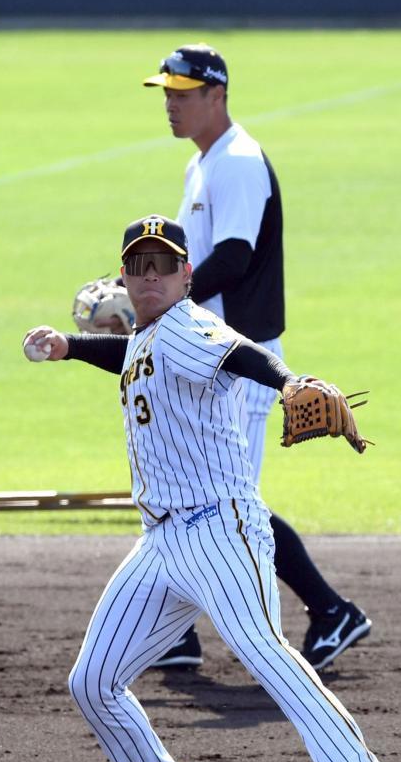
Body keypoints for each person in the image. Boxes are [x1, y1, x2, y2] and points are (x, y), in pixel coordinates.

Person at [23, 215, 389, 762]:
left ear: (184, 274)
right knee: (93, 679)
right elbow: (132, 356)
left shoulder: (188, 326)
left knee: (257, 646)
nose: (149, 278)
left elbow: (237, 351)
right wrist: (69, 346)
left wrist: (288, 381)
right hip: (161, 544)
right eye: (138, 267)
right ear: (124, 276)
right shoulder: (151, 337)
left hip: (222, 527)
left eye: (161, 266)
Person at [141, 44, 370, 670]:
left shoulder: (236, 162)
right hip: (210, 359)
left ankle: (329, 610)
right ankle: (178, 634)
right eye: (166, 93)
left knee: (223, 500)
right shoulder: (205, 162)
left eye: (183, 94)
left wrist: (161, 301)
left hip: (240, 362)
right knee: (195, 493)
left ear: (217, 95)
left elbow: (234, 258)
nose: (171, 105)